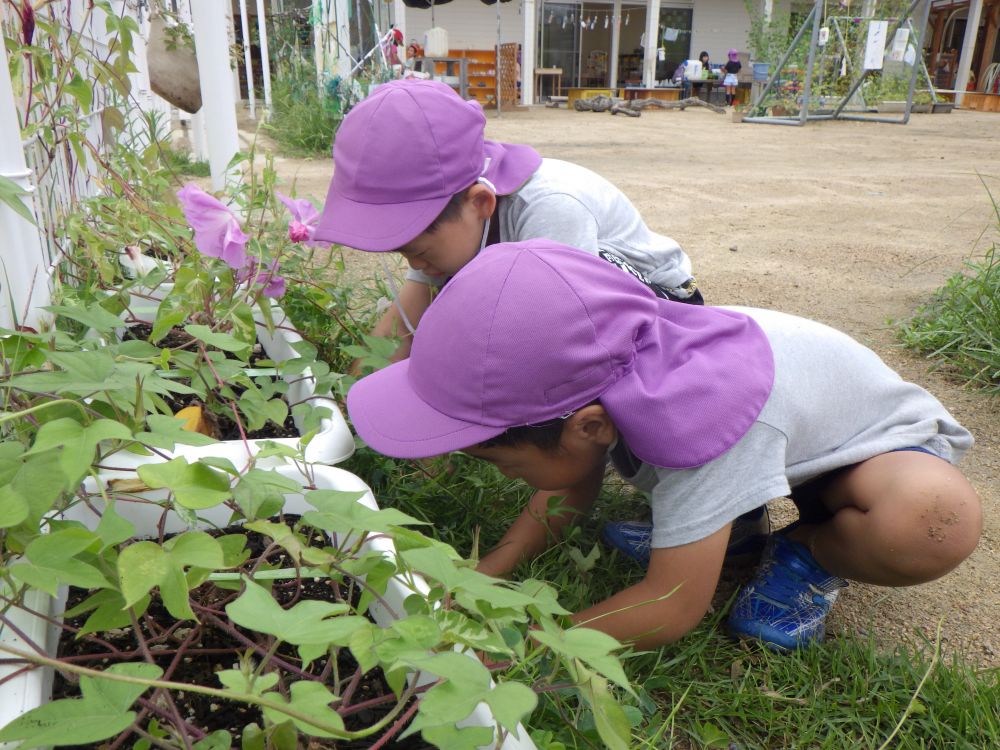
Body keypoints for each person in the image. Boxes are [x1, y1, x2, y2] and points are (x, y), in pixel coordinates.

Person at [346, 240, 982, 651]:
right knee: (698, 495)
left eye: (501, 459)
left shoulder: (701, 422)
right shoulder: (605, 376)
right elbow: (568, 482)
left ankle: (805, 552)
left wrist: (534, 646)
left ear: (588, 425)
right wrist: (488, 571)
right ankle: (721, 531)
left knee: (933, 524)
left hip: (867, 460)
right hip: (774, 443)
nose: (508, 475)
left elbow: (671, 607)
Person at [312, 78, 701, 370]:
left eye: (420, 253)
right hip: (558, 301)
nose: (415, 265)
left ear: (481, 202)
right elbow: (407, 317)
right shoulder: (453, 208)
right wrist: (356, 397)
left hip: (661, 313)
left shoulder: (550, 208)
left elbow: (567, 333)